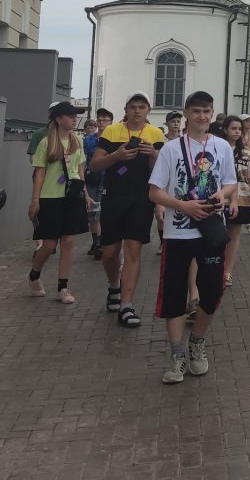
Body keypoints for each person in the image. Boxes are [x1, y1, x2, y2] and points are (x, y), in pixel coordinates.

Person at [148, 90, 237, 384]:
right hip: (178, 232)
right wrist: (182, 205)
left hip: (210, 230)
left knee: (212, 291)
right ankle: (176, 355)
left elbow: (229, 182)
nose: (202, 116)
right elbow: (155, 191)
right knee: (174, 294)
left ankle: (197, 341)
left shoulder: (222, 146)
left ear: (212, 115)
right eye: (197, 111)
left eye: (207, 111)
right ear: (186, 113)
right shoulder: (171, 149)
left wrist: (222, 196)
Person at [91, 92, 165, 328]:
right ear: (126, 109)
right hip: (113, 197)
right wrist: (117, 155)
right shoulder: (112, 131)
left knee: (133, 249)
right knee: (110, 252)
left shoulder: (155, 134)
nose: (137, 111)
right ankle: (114, 285)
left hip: (141, 198)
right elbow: (95, 165)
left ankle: (127, 305)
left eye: (141, 107)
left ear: (148, 110)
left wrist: (153, 154)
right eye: (133, 106)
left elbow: (160, 169)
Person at [26, 101, 93, 303]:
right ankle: (34, 275)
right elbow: (39, 173)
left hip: (72, 196)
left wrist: (86, 193)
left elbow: (80, 169)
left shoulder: (77, 141)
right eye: (70, 115)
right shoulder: (46, 143)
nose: (74, 119)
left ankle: (63, 287)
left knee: (69, 241)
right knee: (48, 244)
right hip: (50, 197)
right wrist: (35, 200)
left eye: (75, 115)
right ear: (58, 119)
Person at [222, 114, 250, 287]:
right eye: (233, 128)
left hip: (242, 198)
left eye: (239, 129)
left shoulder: (246, 152)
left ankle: (227, 271)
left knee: (234, 234)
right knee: (218, 234)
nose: (237, 132)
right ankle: (216, 267)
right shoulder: (218, 149)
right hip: (221, 198)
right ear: (225, 130)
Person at [82, 118, 104, 258]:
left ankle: (100, 243)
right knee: (92, 212)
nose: (102, 123)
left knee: (101, 213)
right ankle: (95, 241)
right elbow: (82, 160)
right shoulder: (88, 141)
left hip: (107, 180)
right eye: (100, 120)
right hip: (91, 179)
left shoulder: (112, 138)